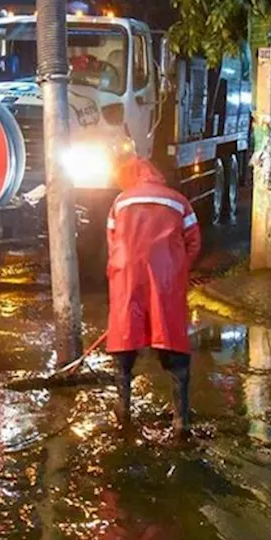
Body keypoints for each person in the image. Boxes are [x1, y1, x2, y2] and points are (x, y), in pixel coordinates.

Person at [105, 156, 202, 436]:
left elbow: (113, 244)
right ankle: (180, 421)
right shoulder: (178, 201)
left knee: (125, 344)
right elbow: (193, 241)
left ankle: (123, 412)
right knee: (171, 342)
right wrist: (179, 267)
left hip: (127, 279)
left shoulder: (120, 202)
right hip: (166, 278)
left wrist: (119, 271)